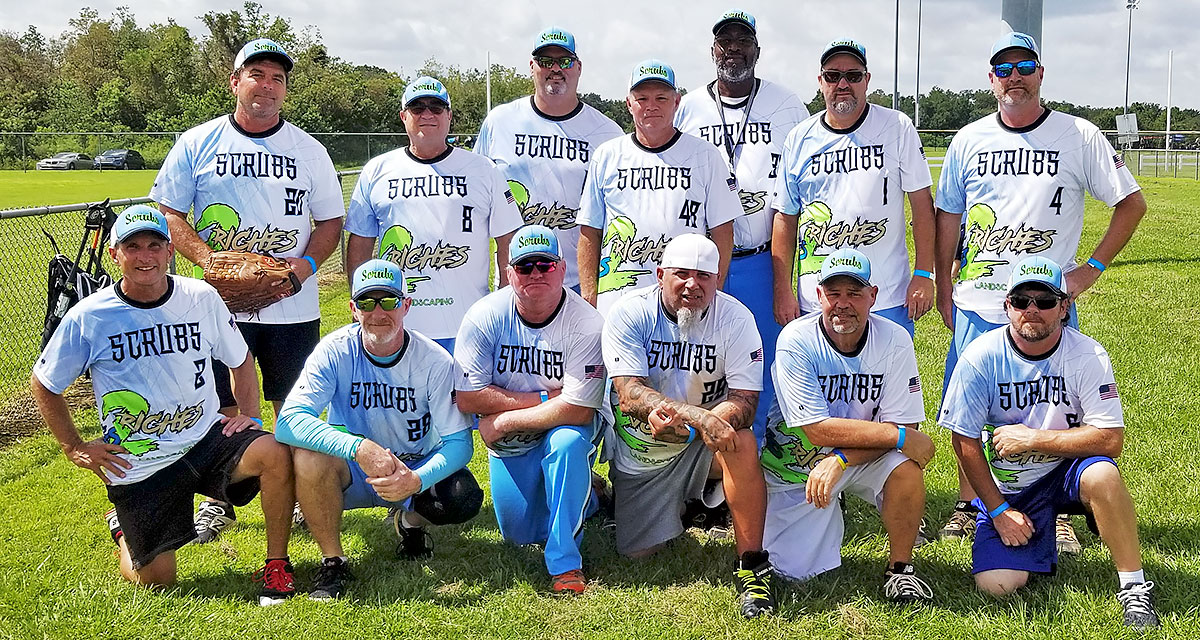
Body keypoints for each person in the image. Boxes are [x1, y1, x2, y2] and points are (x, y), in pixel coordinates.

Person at [934, 32, 1147, 544]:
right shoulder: (969, 139)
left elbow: (1131, 203)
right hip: (979, 300)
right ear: (991, 79)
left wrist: (1090, 269)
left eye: (1025, 66)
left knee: (1052, 405)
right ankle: (969, 504)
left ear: (1041, 73)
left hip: (1045, 301)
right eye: (1004, 69)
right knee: (972, 409)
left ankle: (1059, 507)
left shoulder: (1078, 135)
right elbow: (949, 216)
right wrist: (942, 284)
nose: (1015, 77)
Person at [30, 205, 297, 605]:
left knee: (274, 450)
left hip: (204, 438)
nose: (145, 256)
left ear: (170, 251)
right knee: (156, 581)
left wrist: (250, 415)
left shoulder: (199, 297)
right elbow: (45, 382)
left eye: (154, 245)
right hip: (141, 458)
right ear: (114, 254)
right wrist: (74, 447)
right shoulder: (91, 316)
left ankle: (277, 562)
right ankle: (124, 527)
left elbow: (240, 359)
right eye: (133, 247)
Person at [150, 38, 345, 543]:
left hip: (291, 304)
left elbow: (330, 221)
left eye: (278, 78)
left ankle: (298, 496)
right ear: (235, 81)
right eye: (257, 74)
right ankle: (218, 501)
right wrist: (208, 260)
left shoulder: (309, 149)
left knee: (292, 404)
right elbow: (169, 212)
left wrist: (303, 268)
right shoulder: (198, 142)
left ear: (285, 90)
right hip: (217, 308)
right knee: (220, 405)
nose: (267, 85)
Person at [939, 256, 1158, 629]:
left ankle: (1134, 587)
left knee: (1103, 475)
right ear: (1007, 306)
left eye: (1044, 301)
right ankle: (1039, 534)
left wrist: (1033, 439)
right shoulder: (980, 357)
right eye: (1021, 300)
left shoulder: (1088, 354)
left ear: (1064, 307)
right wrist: (998, 512)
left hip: (1068, 473)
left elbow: (1111, 439)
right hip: (1012, 487)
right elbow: (963, 440)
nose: (1032, 310)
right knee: (996, 585)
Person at [275, 259, 482, 600]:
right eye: (367, 302)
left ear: (406, 305)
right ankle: (333, 561)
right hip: (353, 470)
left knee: (462, 496)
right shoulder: (334, 350)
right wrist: (358, 448)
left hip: (410, 466)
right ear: (352, 308)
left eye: (388, 301)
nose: (378, 312)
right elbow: (288, 421)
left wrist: (416, 480)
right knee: (310, 457)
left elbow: (459, 443)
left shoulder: (434, 360)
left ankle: (410, 523)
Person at [602, 233, 774, 619]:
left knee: (742, 444)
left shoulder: (736, 318)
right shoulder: (629, 312)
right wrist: (699, 417)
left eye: (704, 276)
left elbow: (746, 402)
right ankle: (621, 499)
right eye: (681, 274)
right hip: (645, 453)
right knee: (637, 554)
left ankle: (752, 566)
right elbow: (629, 394)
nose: (692, 285)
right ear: (660, 274)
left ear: (718, 279)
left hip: (701, 443)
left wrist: (698, 427)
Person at [761, 248, 935, 601]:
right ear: (819, 295)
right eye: (834, 293)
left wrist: (842, 459)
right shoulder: (796, 340)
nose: (843, 303)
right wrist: (898, 435)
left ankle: (900, 569)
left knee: (905, 468)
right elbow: (816, 430)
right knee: (793, 572)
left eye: (854, 293)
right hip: (799, 466)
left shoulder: (894, 339)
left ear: (873, 296)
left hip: (860, 457)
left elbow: (905, 421)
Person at [675, 9, 809, 445]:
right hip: (702, 261)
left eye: (743, 40)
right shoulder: (689, 107)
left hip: (760, 257)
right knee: (698, 355)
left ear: (757, 50)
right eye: (725, 41)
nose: (733, 48)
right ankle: (699, 453)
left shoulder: (787, 105)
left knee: (763, 357)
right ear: (713, 50)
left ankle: (764, 446)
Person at [454, 225, 606, 595]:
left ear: (562, 268)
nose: (535, 273)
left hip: (561, 424)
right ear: (509, 274)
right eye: (525, 267)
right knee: (519, 533)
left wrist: (505, 418)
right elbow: (468, 397)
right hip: (522, 430)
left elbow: (579, 410)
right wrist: (542, 399)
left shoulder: (586, 323)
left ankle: (565, 564)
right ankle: (591, 496)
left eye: (545, 265)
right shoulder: (484, 315)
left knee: (567, 444)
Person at [346, 76, 524, 354]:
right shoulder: (377, 170)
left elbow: (507, 241)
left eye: (436, 107)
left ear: (449, 116)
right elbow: (360, 243)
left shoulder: (483, 170)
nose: (427, 114)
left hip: (469, 324)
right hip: (397, 325)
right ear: (404, 116)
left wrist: (504, 304)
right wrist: (361, 301)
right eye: (417, 108)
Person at [771, 38, 935, 338]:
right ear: (821, 81)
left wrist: (924, 273)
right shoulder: (799, 138)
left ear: (867, 80)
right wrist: (783, 288)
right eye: (833, 76)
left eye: (853, 76)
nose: (843, 84)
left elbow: (922, 205)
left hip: (885, 297)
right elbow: (785, 217)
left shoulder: (897, 127)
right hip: (818, 299)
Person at [578, 60, 742, 317]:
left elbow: (723, 230)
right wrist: (589, 295)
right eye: (642, 98)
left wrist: (711, 291)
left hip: (684, 299)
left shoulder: (705, 156)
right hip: (618, 299)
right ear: (628, 104)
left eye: (661, 98)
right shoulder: (607, 155)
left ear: (676, 102)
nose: (651, 106)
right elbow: (590, 231)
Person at [474, 27, 623, 293]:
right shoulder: (500, 122)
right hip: (517, 279)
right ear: (532, 66)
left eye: (565, 61)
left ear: (578, 67)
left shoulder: (608, 133)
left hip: (577, 283)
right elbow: (476, 195)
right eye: (545, 61)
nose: (555, 69)